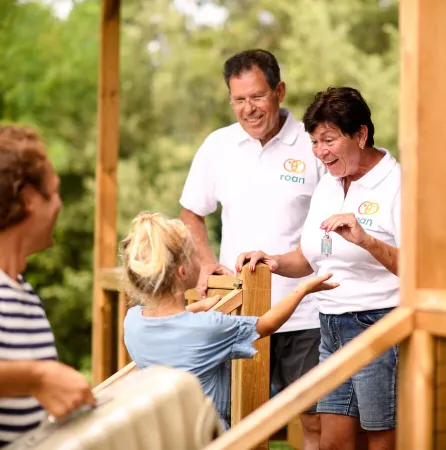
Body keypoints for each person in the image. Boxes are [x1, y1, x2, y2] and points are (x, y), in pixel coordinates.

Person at [237, 87, 401, 449]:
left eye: (328, 140)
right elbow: (308, 259)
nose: (320, 152)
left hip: (379, 325)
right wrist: (273, 261)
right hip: (329, 326)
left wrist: (366, 240)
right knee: (332, 443)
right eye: (314, 142)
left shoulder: (396, 183)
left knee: (381, 441)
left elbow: (416, 268)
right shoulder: (328, 184)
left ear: (361, 134)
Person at [179, 49, 326, 446]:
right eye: (239, 99)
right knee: (235, 420)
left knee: (314, 422)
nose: (249, 109)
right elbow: (191, 212)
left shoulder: (312, 144)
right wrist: (207, 264)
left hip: (304, 312)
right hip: (238, 313)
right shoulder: (217, 146)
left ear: (279, 91)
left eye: (258, 96)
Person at [120, 212, 338, 430]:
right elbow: (267, 324)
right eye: (195, 256)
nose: (200, 260)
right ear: (182, 271)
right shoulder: (209, 327)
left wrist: (197, 307)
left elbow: (172, 323)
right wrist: (303, 288)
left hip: (168, 434)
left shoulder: (133, 322)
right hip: (210, 436)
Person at [0, 125, 95, 447]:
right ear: (28, 199)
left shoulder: (23, 294)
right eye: (53, 193)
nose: (59, 205)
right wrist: (35, 377)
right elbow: (34, 379)